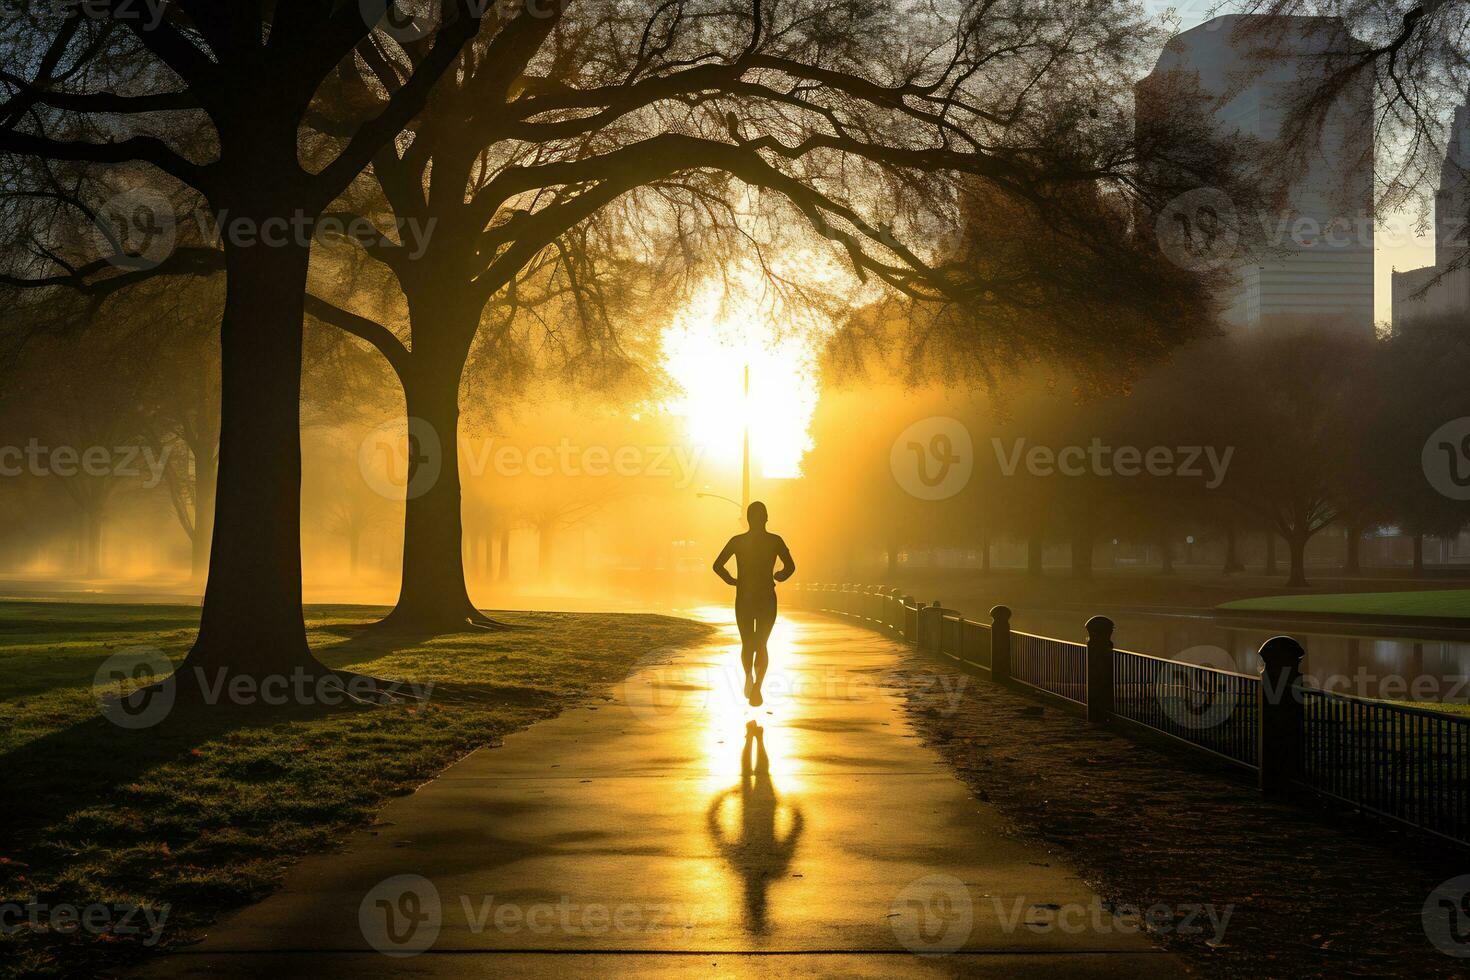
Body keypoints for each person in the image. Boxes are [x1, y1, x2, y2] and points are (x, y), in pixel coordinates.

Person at [712, 501, 795, 707]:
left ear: (747, 520)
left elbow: (717, 565)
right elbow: (791, 566)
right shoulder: (775, 541)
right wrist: (780, 575)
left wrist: (731, 580)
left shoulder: (737, 541)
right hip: (767, 597)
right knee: (762, 643)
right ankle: (758, 684)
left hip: (744, 598)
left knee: (747, 642)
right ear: (766, 518)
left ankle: (749, 676)